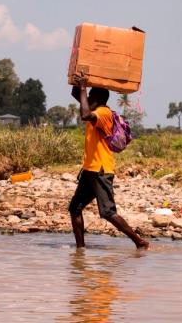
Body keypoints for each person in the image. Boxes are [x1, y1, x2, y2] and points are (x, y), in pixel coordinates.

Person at [68, 75, 148, 250]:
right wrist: (79, 82)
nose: (87, 100)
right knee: (75, 208)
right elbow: (77, 94)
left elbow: (84, 114)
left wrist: (83, 88)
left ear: (97, 100)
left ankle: (139, 242)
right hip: (90, 170)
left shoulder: (103, 113)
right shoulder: (94, 110)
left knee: (108, 213)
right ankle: (80, 250)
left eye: (90, 98)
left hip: (101, 170)